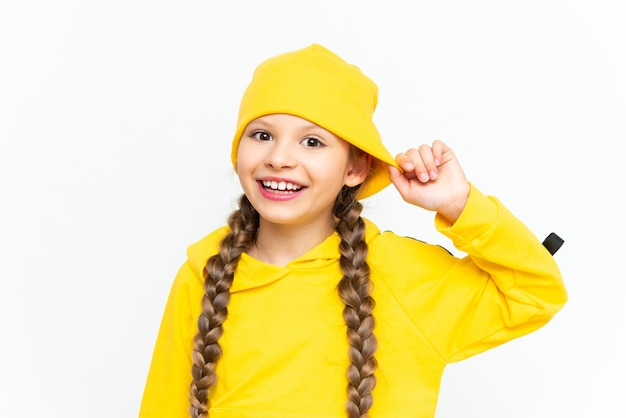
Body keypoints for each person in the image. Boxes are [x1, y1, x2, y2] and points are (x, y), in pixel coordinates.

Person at [139, 44, 567, 418]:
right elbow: (162, 408)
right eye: (262, 134)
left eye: (312, 142)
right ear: (239, 154)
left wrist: (461, 207)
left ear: (356, 168)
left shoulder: (402, 276)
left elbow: (534, 292)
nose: (279, 158)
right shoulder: (204, 274)